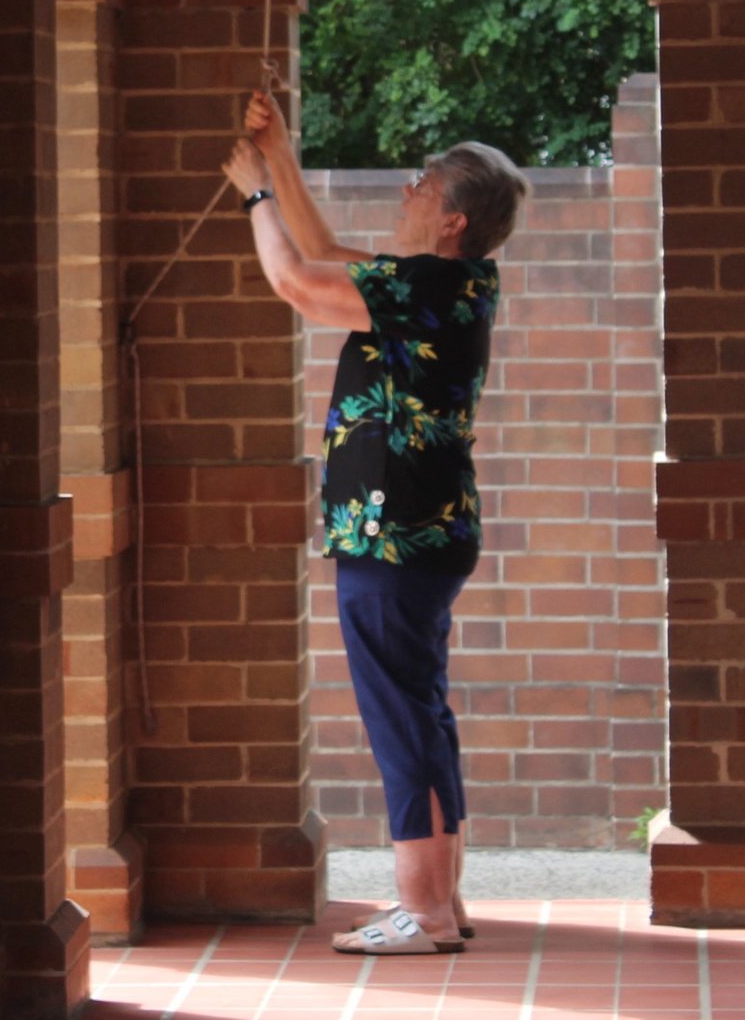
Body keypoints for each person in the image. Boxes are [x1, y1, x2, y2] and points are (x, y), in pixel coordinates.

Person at [223, 89, 530, 956]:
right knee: (421, 710)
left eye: (425, 184)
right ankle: (445, 901)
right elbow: (318, 250)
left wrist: (254, 193)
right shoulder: (446, 283)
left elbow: (293, 279)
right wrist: (279, 151)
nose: (408, 187)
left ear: (452, 222)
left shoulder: (424, 286)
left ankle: (424, 911)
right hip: (425, 534)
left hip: (393, 536)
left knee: (400, 717)